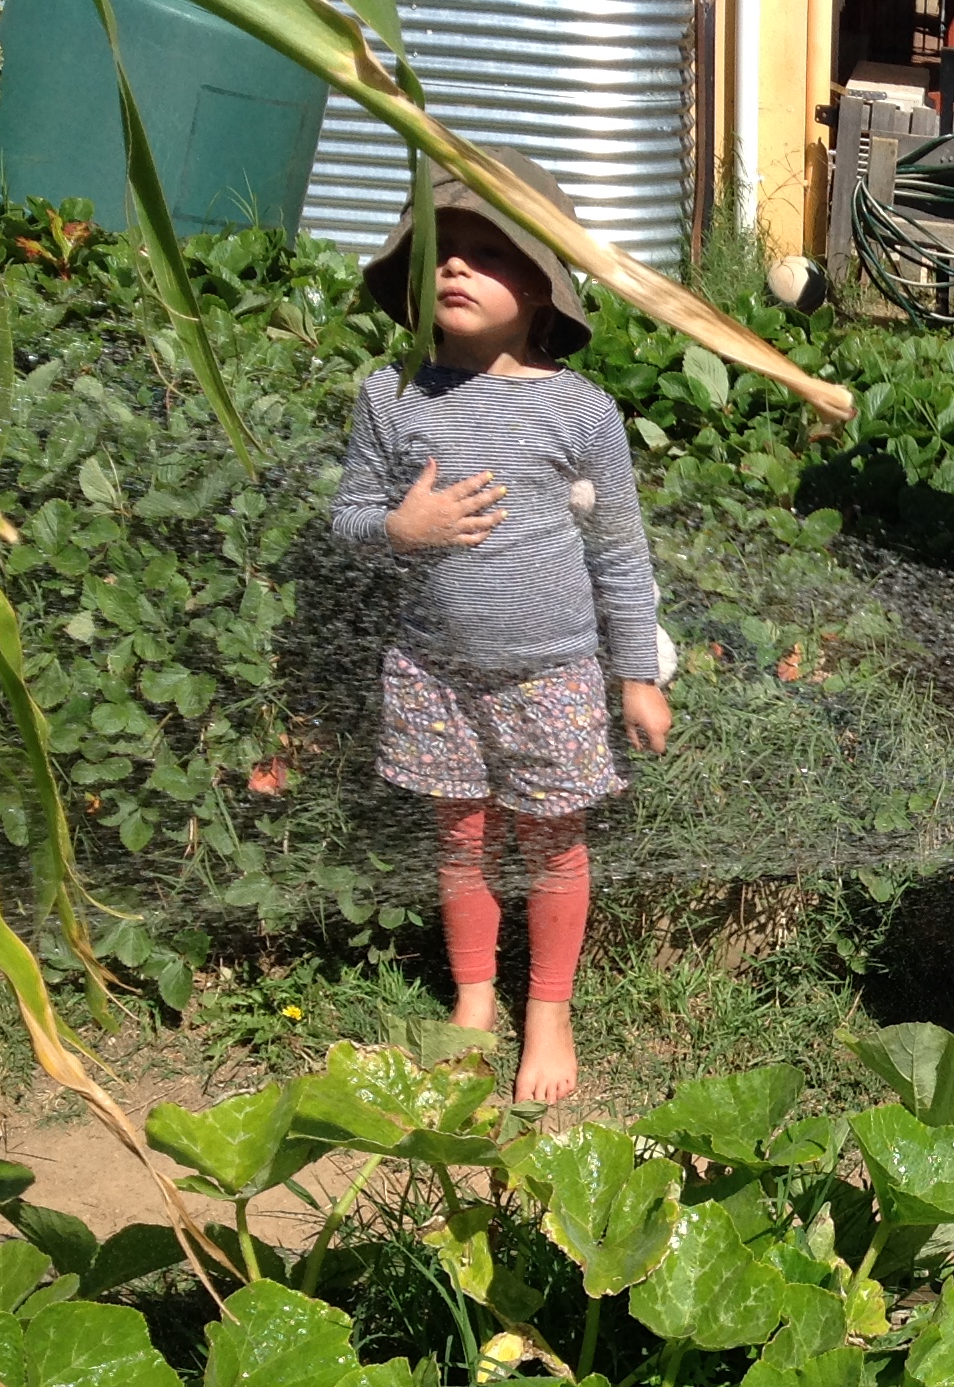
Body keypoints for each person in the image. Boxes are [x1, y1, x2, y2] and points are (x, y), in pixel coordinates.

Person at [332, 151, 666, 1105]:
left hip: (552, 674)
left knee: (554, 847)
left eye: (487, 252)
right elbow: (349, 520)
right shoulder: (387, 398)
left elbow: (619, 555)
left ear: (543, 280)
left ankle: (549, 1009)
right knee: (462, 840)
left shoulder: (582, 410)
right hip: (433, 674)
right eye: (440, 250)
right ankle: (476, 1001)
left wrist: (638, 674)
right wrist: (401, 529)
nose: (455, 267)